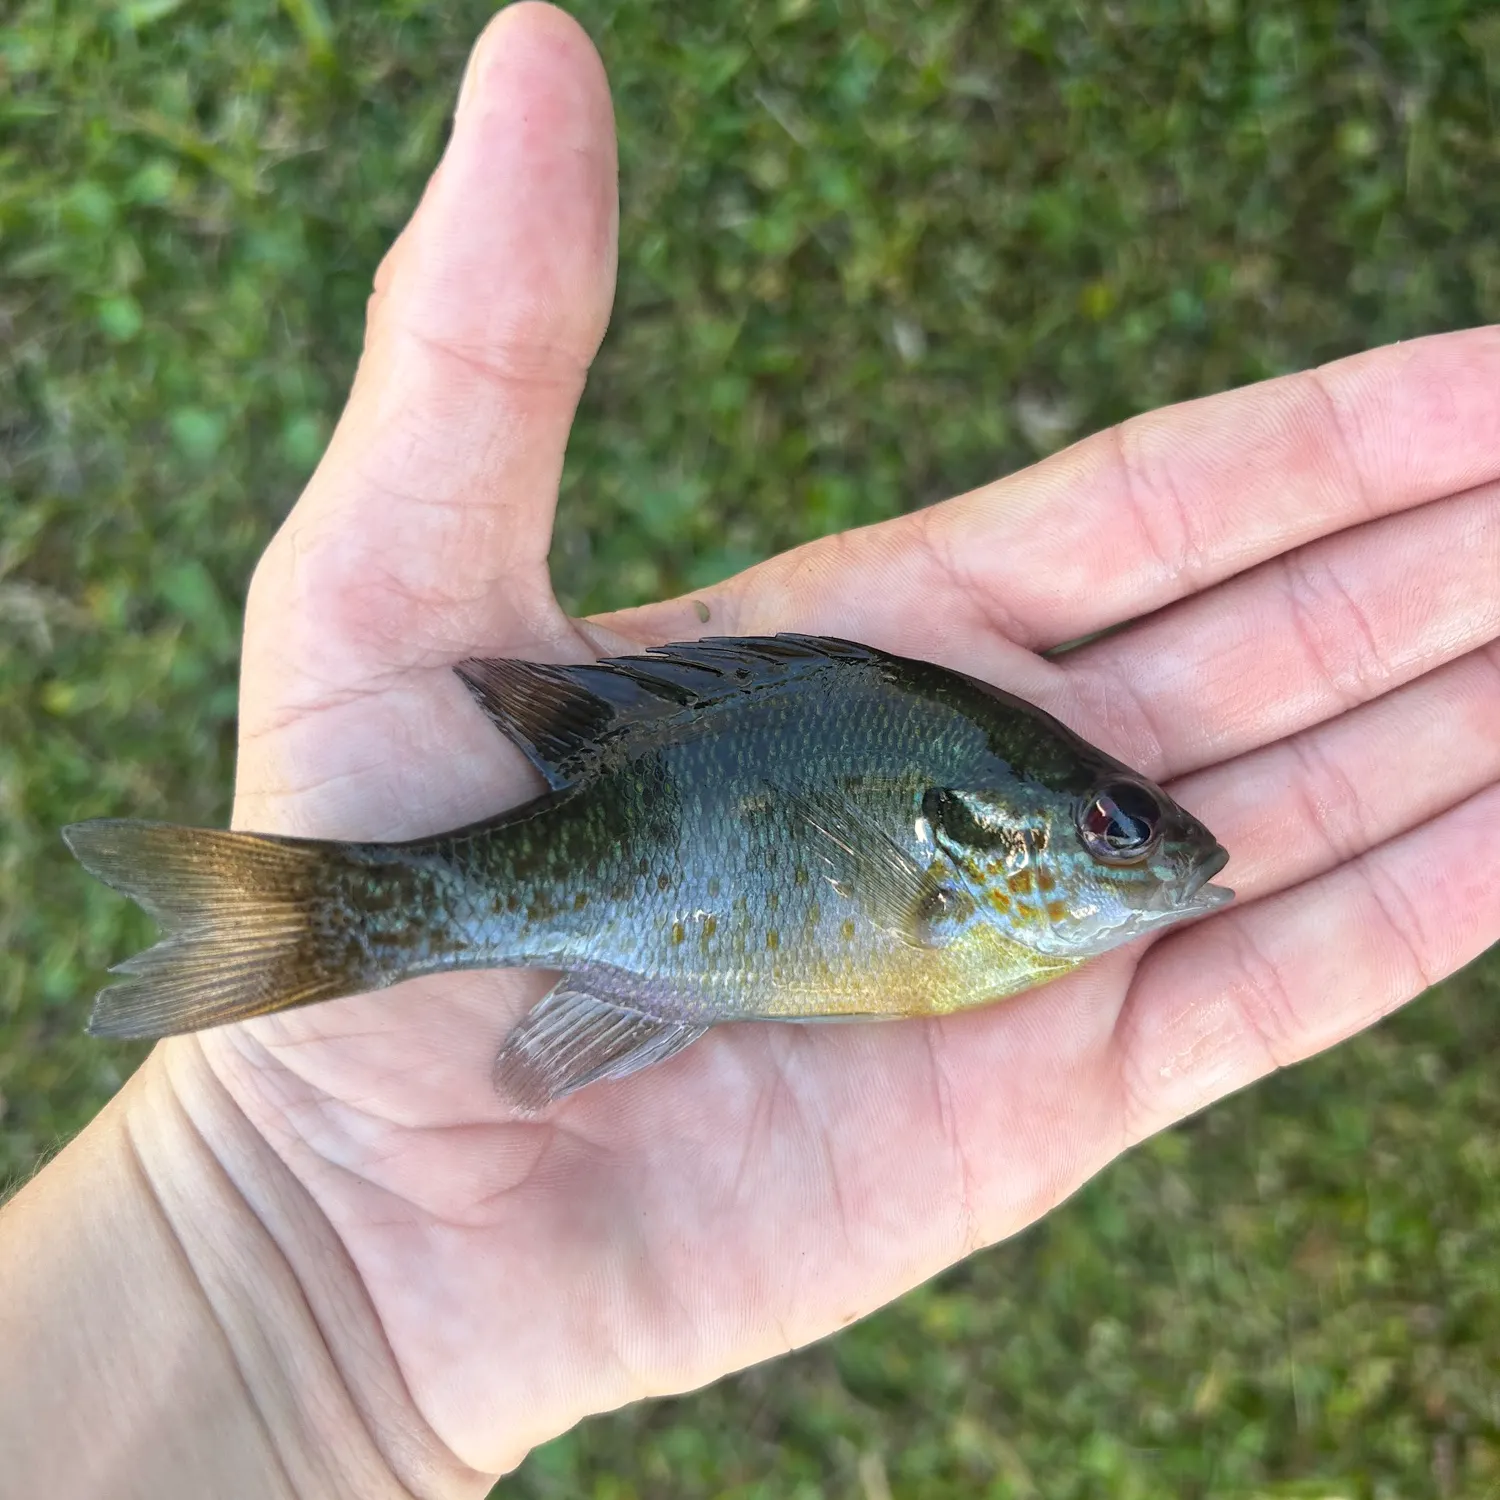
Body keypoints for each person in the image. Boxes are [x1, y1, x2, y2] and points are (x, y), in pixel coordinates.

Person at [2, 4, 1497, 1494]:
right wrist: (265, 1224)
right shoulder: (955, 865)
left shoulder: (971, 857)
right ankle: (338, 917)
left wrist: (262, 1269)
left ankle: (328, 930)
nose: (1152, 847)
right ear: (975, 833)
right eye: (1113, 826)